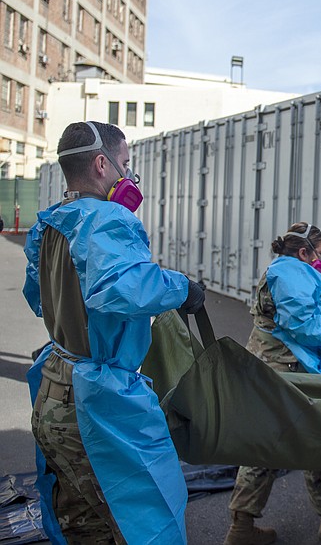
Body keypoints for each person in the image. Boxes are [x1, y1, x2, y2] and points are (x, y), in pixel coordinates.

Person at [22, 121, 206, 544]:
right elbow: (122, 287)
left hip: (54, 388)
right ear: (102, 164)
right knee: (146, 519)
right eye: (125, 165)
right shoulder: (107, 219)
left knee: (84, 526)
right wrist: (182, 289)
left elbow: (38, 300)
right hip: (97, 404)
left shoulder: (50, 224)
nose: (128, 177)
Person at [224, 222, 321, 545]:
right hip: (287, 370)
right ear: (304, 252)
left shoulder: (280, 269)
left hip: (269, 366)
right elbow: (301, 322)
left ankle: (244, 525)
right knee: (312, 439)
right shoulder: (291, 274)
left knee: (271, 444)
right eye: (320, 252)